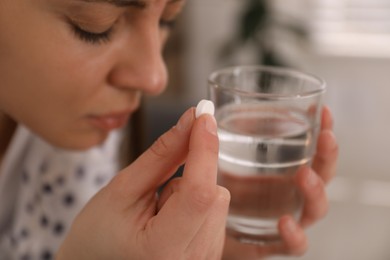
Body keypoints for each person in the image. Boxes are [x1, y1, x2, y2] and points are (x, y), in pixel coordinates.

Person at [0, 0, 339, 259]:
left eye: (168, 20)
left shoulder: (85, 133)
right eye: (95, 27)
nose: (154, 78)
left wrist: (218, 247)